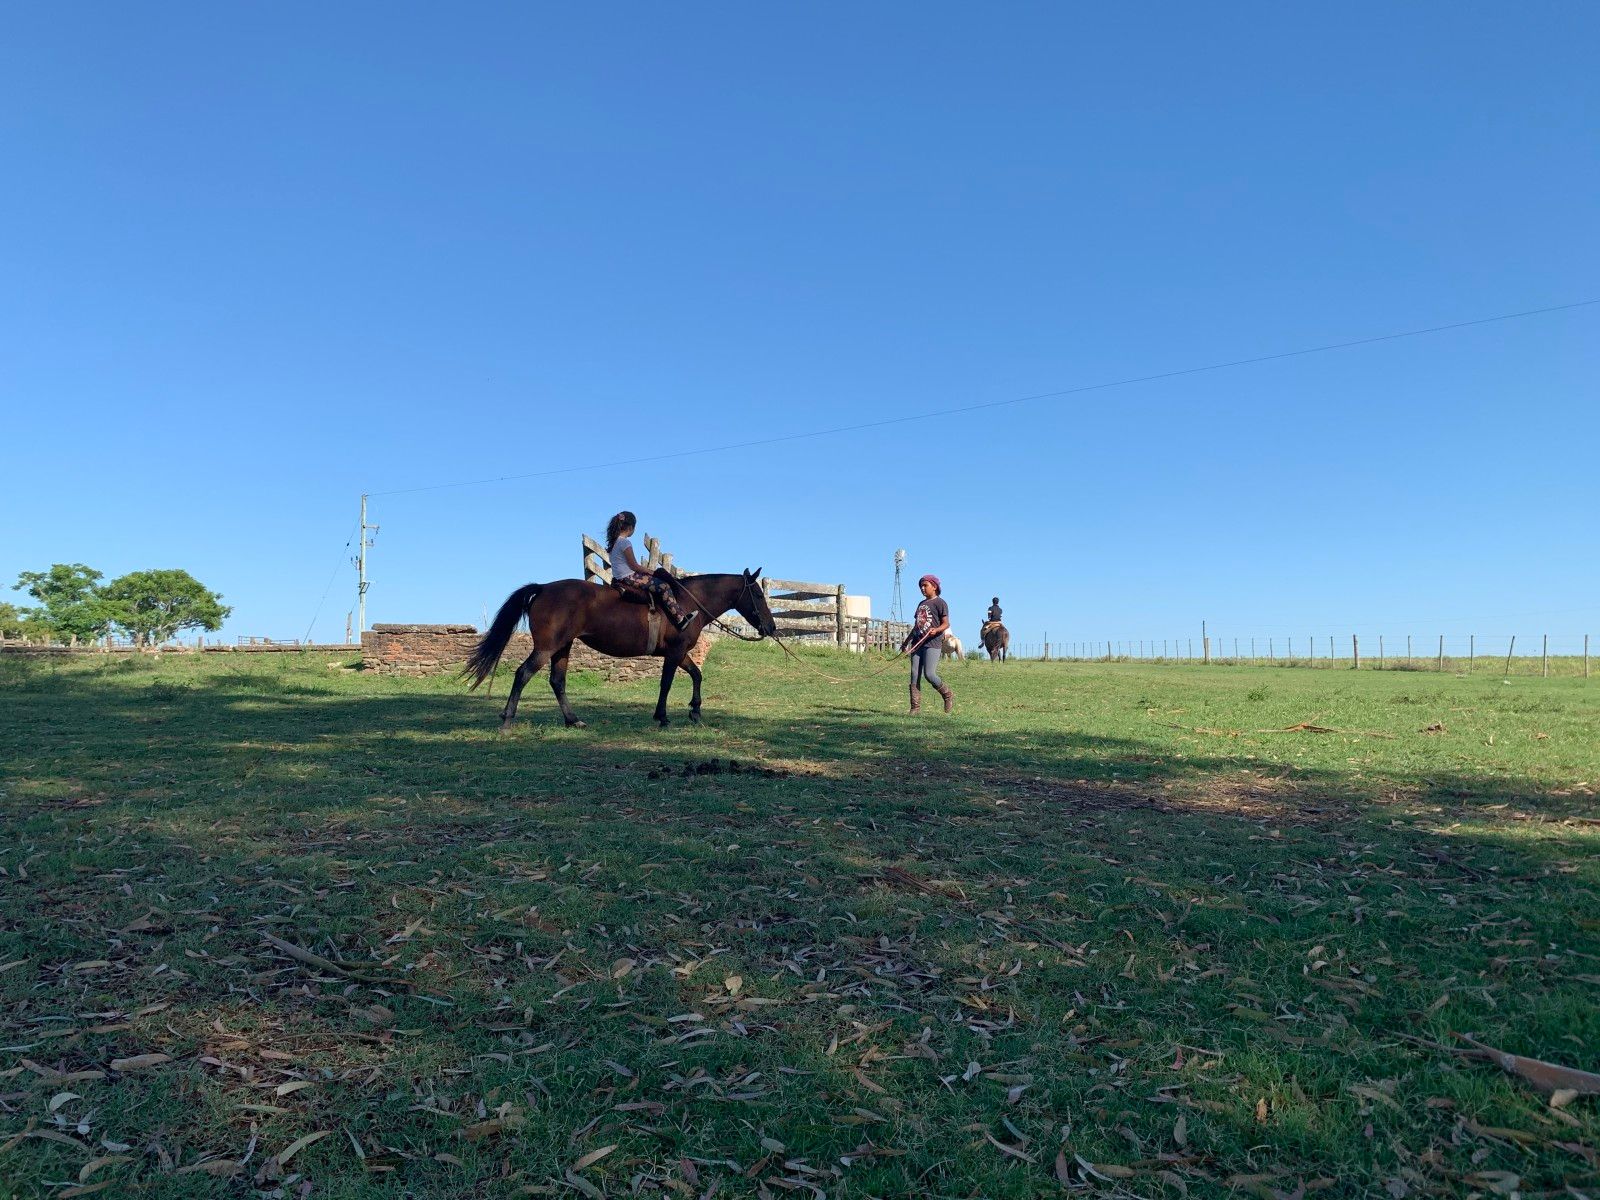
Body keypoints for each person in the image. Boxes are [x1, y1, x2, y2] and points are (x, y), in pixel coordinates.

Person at [605, 511, 697, 631]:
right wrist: (652, 572)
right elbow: (634, 566)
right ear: (631, 527)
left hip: (619, 577)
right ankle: (679, 619)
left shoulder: (614, 543)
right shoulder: (625, 542)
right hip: (629, 577)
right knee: (664, 586)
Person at [901, 573, 953, 714]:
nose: (922, 588)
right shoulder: (921, 604)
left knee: (929, 674)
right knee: (914, 674)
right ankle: (915, 708)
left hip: (932, 643)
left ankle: (947, 695)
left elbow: (946, 623)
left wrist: (936, 630)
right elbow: (917, 625)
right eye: (921, 586)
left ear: (934, 586)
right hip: (917, 643)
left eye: (925, 585)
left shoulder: (940, 603)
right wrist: (906, 642)